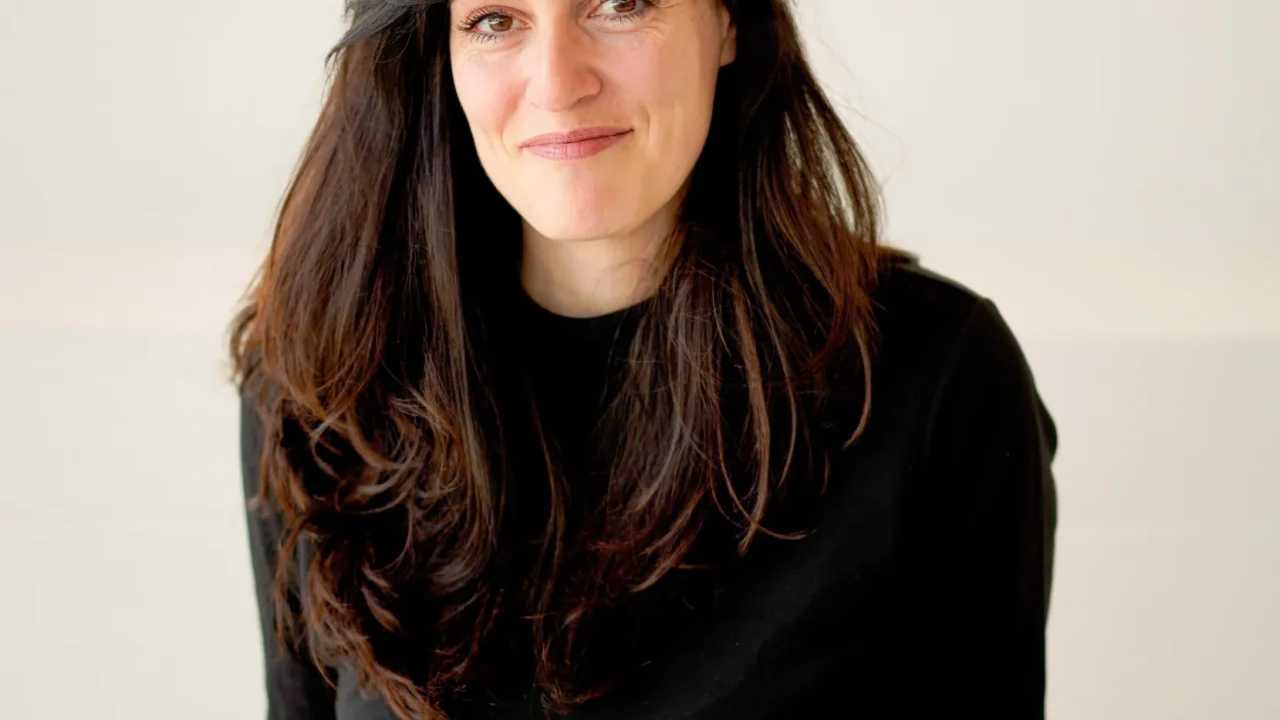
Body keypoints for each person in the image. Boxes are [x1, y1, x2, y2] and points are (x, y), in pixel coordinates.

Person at [230, 1, 1059, 718]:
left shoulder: (938, 379)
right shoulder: (321, 381)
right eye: (494, 20)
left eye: (622, 2)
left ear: (729, 21)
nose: (558, 83)